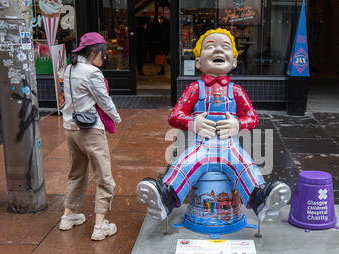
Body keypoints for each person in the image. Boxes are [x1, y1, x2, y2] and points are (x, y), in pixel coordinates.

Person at [136, 28, 291, 223]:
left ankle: (261, 198)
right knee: (183, 165)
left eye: (225, 47)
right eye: (210, 46)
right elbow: (174, 115)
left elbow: (252, 117)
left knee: (245, 165)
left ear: (234, 62)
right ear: (199, 62)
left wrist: (238, 124)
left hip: (230, 147)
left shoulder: (236, 91)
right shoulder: (194, 89)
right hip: (201, 147)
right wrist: (193, 122)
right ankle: (165, 197)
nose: (218, 49)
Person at [60, 32, 122, 241]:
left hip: (70, 129)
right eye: (103, 55)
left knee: (76, 173)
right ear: (94, 51)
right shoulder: (92, 72)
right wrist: (117, 118)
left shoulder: (69, 69)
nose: (104, 59)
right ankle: (100, 225)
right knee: (104, 177)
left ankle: (68, 216)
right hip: (90, 130)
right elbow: (104, 100)